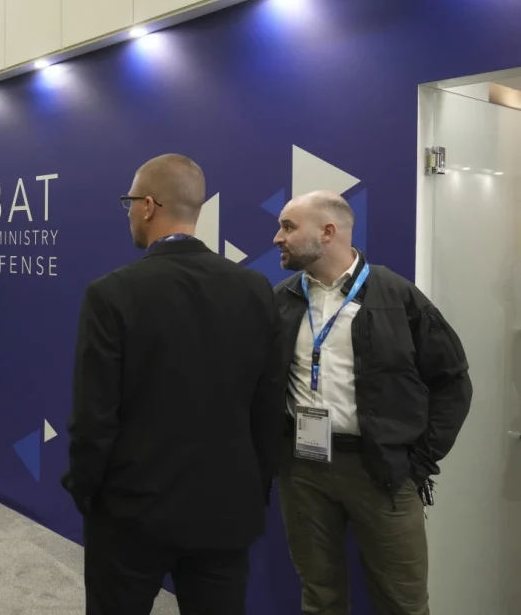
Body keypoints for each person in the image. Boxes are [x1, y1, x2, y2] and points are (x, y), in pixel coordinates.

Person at [63, 154, 285, 615]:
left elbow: (93, 417)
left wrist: (87, 492)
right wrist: (251, 491)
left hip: (131, 513)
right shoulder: (255, 289)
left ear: (148, 206)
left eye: (129, 201)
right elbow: (268, 407)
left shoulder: (111, 293)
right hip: (226, 510)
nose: (127, 212)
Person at [272, 191, 472, 615]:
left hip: (382, 471)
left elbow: (452, 380)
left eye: (288, 226)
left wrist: (418, 461)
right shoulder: (283, 298)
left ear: (328, 232)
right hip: (303, 469)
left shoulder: (396, 295)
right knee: (319, 596)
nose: (278, 237)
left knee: (402, 602)